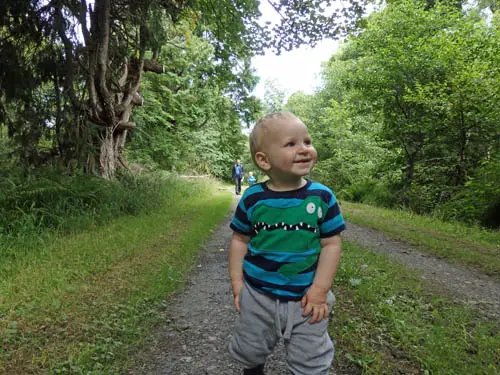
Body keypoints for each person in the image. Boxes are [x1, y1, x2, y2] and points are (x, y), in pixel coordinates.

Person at [228, 112, 346, 375]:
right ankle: (254, 368)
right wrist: (238, 284)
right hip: (258, 293)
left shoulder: (323, 196)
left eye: (307, 141)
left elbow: (331, 245)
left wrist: (319, 290)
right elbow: (239, 240)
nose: (304, 149)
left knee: (311, 360)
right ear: (264, 160)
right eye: (291, 144)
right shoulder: (253, 198)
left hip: (307, 298)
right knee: (250, 348)